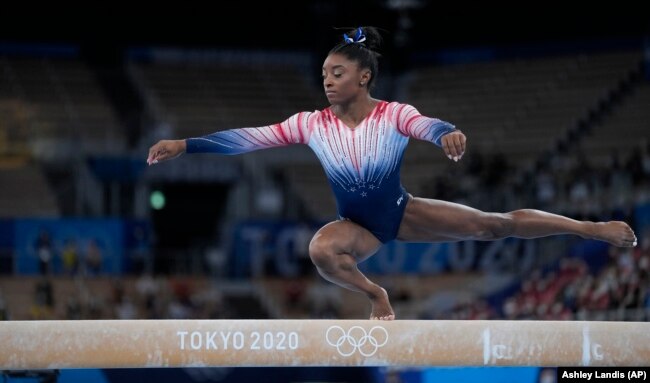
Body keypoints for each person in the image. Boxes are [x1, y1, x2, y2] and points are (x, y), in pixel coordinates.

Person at [147, 27, 638, 320]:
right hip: (359, 229)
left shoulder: (392, 114)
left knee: (495, 224)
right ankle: (375, 294)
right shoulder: (310, 124)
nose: (327, 81)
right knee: (321, 249)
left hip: (401, 213)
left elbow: (423, 123)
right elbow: (248, 137)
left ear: (363, 77)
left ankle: (588, 227)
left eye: (336, 73)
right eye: (323, 74)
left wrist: (445, 131)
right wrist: (185, 144)